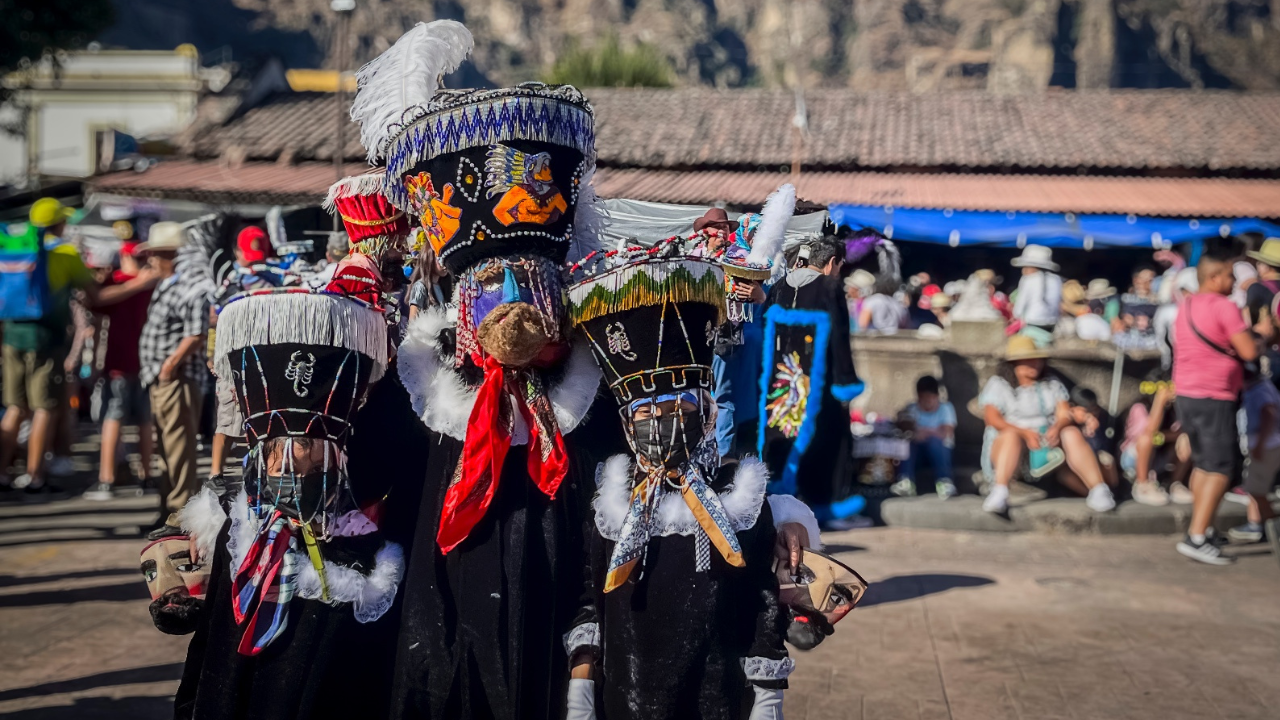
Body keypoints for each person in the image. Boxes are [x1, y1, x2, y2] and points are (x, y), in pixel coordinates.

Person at [564, 242, 797, 720]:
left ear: (706, 411)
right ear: (628, 422)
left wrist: (767, 695)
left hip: (714, 698)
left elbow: (761, 601)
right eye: (646, 412)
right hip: (624, 699)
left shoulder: (738, 495)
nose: (661, 422)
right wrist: (580, 689)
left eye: (678, 409)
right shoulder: (613, 495)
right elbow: (589, 596)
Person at [174, 283, 404, 720]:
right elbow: (210, 648)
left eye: (299, 447)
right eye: (271, 451)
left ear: (331, 452)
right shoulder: (241, 529)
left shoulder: (362, 542)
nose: (282, 464)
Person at [0, 198, 153, 492]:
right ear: (59, 223)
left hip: (13, 336)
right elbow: (96, 297)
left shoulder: (13, 249)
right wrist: (138, 283)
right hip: (46, 339)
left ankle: (3, 472)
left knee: (15, 407)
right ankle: (35, 476)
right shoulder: (66, 254)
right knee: (45, 407)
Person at [760, 237, 867, 527]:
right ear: (833, 262)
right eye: (840, 265)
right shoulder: (831, 287)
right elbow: (839, 337)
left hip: (781, 384)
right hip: (821, 383)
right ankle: (826, 504)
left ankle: (780, 500)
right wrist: (845, 381)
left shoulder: (780, 286)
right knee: (830, 440)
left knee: (781, 433)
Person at [1172, 253, 1258, 565]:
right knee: (1221, 468)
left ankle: (1203, 526)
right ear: (1214, 277)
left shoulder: (1187, 306)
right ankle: (1196, 536)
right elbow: (1248, 350)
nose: (1234, 283)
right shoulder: (1225, 307)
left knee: (1203, 465)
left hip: (1187, 394)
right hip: (1215, 396)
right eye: (1229, 277)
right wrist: (1263, 336)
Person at [979, 336, 1116, 514]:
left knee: (1071, 433)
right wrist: (1024, 433)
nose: (1034, 364)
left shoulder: (1051, 384)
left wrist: (1057, 428)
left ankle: (1098, 489)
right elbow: (992, 419)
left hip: (1047, 449)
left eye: (1037, 359)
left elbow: (1064, 413)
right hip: (1011, 448)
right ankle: (1000, 490)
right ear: (1014, 363)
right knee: (1010, 436)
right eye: (1028, 360)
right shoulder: (998, 385)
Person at [137, 222, 211, 540]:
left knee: (179, 450)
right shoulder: (170, 282)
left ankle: (179, 513)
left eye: (155, 252)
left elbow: (195, 333)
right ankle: (167, 508)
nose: (150, 258)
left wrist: (171, 364)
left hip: (176, 378)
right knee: (168, 450)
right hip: (164, 376)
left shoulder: (188, 285)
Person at [83, 241, 161, 500]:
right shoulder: (152, 282)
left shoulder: (118, 281)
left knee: (114, 417)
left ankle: (107, 479)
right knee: (144, 419)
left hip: (120, 362)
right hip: (145, 361)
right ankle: (146, 476)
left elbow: (94, 304)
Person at [1227, 363, 1280, 557]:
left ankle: (1268, 524)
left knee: (1256, 489)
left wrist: (1259, 445)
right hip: (1265, 446)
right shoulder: (1258, 387)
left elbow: (1269, 413)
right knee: (1254, 487)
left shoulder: (1259, 389)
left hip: (1267, 447)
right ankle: (1258, 524)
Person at [895, 375, 957, 499]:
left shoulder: (946, 408)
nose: (927, 401)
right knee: (907, 444)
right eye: (924, 398)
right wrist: (915, 434)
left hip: (940, 454)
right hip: (918, 455)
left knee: (935, 442)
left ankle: (944, 481)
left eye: (931, 398)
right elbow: (905, 431)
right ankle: (906, 481)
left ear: (937, 397)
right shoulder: (911, 409)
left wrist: (923, 432)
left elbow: (946, 432)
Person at [1010, 245, 1063, 334]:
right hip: (1053, 324)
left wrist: (1016, 316)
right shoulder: (1057, 280)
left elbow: (1018, 309)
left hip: (1033, 323)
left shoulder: (1028, 279)